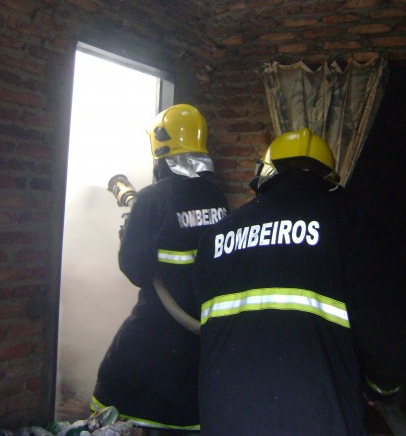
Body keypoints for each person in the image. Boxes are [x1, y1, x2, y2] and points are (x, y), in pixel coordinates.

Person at [193, 127, 406, 436]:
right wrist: (381, 388)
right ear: (329, 179)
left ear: (265, 176)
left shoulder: (215, 235)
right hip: (318, 420)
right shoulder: (355, 226)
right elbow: (385, 330)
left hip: (225, 420)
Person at [91, 104, 228, 434]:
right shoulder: (216, 196)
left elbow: (136, 270)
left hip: (160, 329)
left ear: (161, 147)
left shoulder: (152, 199)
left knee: (113, 382)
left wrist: (129, 232)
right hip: (201, 333)